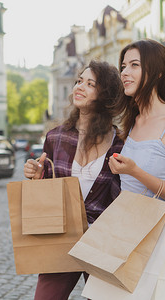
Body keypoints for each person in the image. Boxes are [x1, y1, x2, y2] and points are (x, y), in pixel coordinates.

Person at [23, 60, 124, 300]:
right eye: (79, 81)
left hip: (102, 242)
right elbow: (47, 192)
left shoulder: (120, 144)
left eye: (90, 84)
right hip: (61, 236)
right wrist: (36, 177)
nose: (79, 86)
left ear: (105, 95)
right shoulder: (56, 137)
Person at [108, 39, 165, 299]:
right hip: (129, 236)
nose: (124, 72)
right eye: (123, 66)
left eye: (134, 65)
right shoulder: (132, 121)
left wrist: (135, 171)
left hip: (162, 240)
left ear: (157, 72)